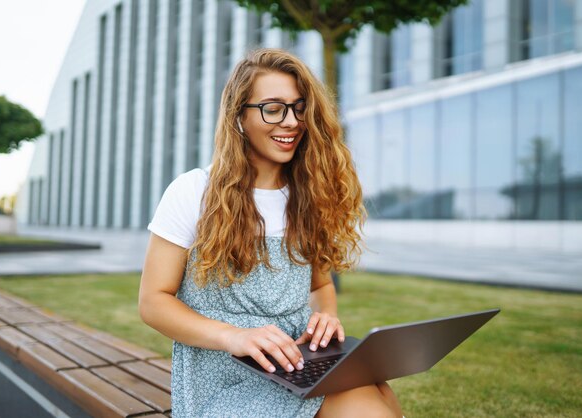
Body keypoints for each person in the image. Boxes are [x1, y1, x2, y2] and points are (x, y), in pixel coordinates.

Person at [139, 48, 403, 418]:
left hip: (297, 365)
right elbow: (153, 302)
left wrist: (324, 319)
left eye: (299, 108)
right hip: (223, 378)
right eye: (273, 108)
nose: (292, 121)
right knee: (366, 404)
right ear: (239, 117)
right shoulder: (193, 191)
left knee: (377, 390)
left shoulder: (309, 194)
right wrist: (235, 336)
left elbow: (321, 287)